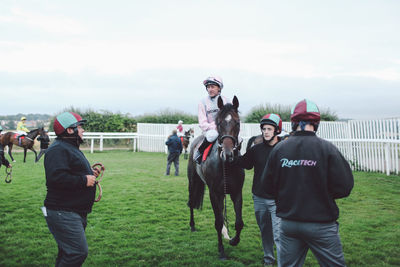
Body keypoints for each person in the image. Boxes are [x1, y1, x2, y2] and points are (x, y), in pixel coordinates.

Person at [261, 99, 354, 267]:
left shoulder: (280, 149)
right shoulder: (327, 149)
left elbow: (266, 187)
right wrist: (322, 192)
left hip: (289, 224)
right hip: (322, 225)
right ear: (316, 123)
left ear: (294, 122)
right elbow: (345, 187)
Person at [42, 111, 98, 267]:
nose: (83, 130)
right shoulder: (58, 149)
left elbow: (68, 171)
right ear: (69, 130)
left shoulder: (69, 147)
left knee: (67, 252)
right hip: (63, 212)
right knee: (77, 252)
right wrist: (83, 180)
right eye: (80, 127)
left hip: (73, 210)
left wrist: (89, 173)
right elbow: (56, 178)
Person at [233, 114, 283, 266]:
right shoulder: (256, 150)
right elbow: (244, 163)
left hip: (278, 201)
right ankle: (268, 259)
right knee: (265, 232)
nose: (266, 132)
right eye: (263, 129)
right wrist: (232, 152)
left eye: (269, 129)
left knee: (279, 235)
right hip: (259, 198)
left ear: (277, 130)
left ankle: (283, 262)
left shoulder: (285, 149)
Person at [194, 75, 229, 164]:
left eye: (212, 87)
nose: (210, 89)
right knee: (211, 136)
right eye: (208, 87)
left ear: (219, 88)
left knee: (239, 138)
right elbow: (202, 123)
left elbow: (229, 117)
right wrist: (214, 127)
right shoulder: (202, 102)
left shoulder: (226, 101)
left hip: (225, 129)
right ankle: (199, 153)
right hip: (210, 130)